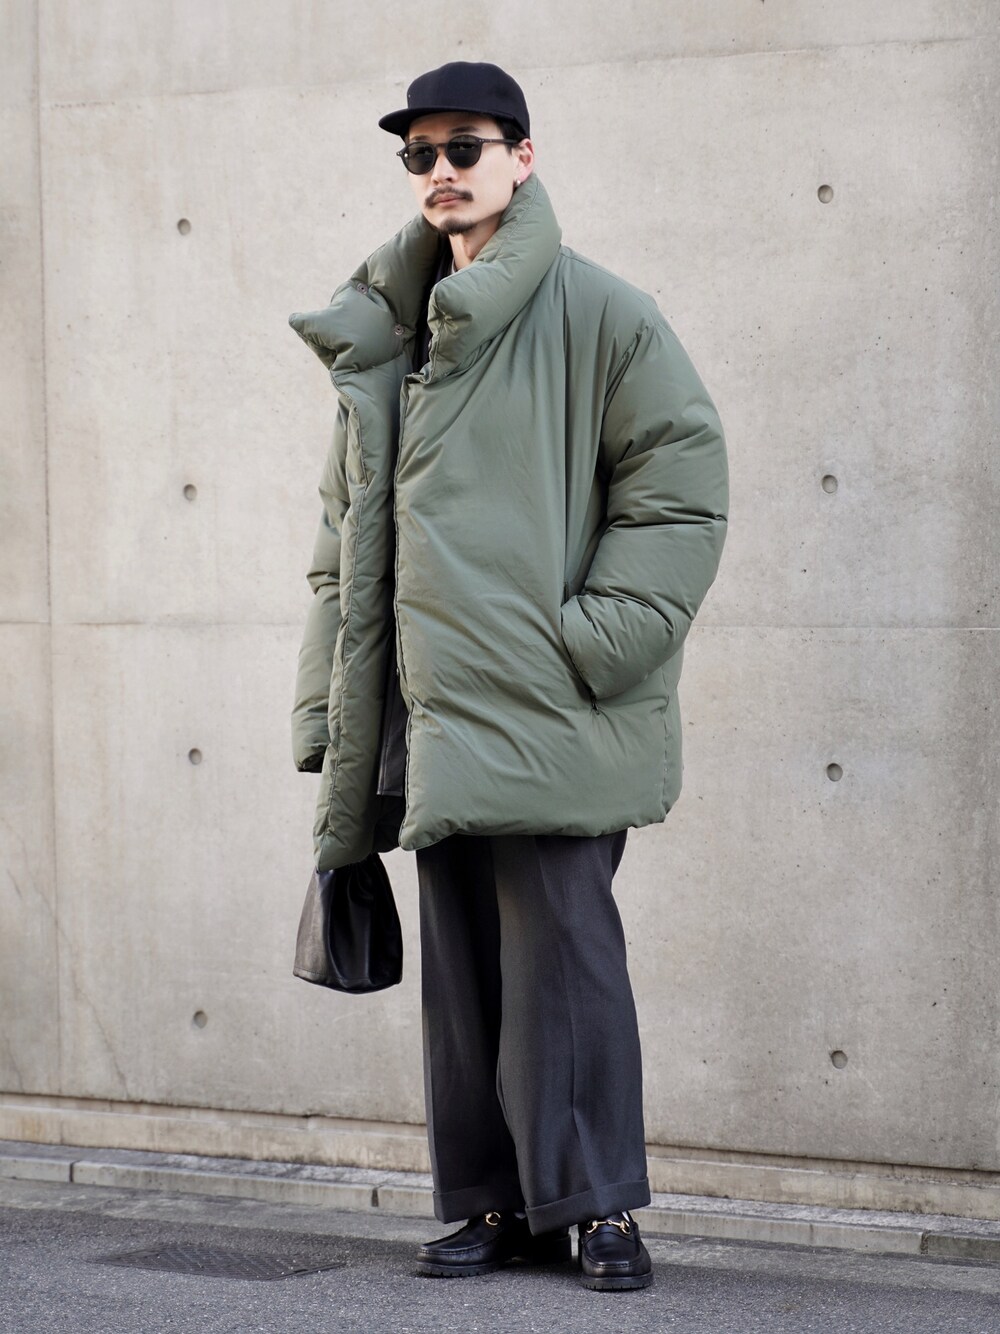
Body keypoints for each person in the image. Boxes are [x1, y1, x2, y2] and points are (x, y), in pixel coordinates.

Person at [289, 61, 727, 1292]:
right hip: (430, 704)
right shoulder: (389, 327)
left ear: (521, 157)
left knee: (565, 957)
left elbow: (679, 489)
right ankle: (492, 1202)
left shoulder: (604, 313)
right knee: (465, 963)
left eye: (464, 147)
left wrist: (592, 643)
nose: (440, 171)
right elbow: (342, 533)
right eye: (419, 154)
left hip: (551, 701)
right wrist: (331, 702)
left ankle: (597, 1207)